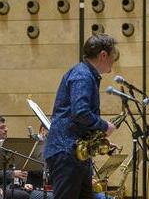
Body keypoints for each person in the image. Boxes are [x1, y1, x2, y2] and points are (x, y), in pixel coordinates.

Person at [44, 33, 119, 199]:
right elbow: (81, 112)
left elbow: (78, 117)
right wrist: (104, 126)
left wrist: (98, 139)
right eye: (113, 58)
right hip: (67, 152)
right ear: (103, 55)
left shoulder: (85, 74)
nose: (113, 65)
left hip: (75, 153)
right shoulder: (83, 75)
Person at [0, 116, 33, 199]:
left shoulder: (6, 146)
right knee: (24, 196)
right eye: (2, 127)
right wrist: (13, 174)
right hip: (4, 188)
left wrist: (24, 184)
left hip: (12, 186)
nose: (6, 129)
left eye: (6, 126)